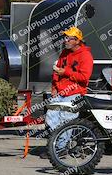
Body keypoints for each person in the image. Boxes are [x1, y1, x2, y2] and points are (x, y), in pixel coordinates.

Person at [40, 26, 94, 159]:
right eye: (65, 38)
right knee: (51, 118)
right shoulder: (64, 52)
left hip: (74, 93)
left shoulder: (85, 56)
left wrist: (66, 72)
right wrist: (54, 87)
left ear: (77, 40)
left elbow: (84, 77)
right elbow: (57, 70)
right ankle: (57, 145)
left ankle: (60, 149)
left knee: (66, 120)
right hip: (60, 92)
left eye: (68, 38)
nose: (65, 40)